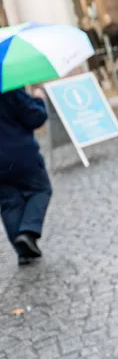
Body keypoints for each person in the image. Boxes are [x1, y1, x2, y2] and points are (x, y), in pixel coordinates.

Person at [0, 86, 52, 266]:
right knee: (41, 189)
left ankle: (23, 251)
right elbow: (34, 117)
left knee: (9, 203)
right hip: (21, 156)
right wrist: (38, 99)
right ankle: (28, 232)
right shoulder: (9, 86)